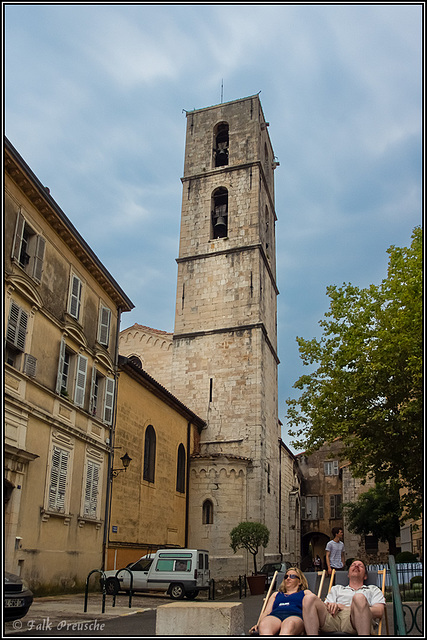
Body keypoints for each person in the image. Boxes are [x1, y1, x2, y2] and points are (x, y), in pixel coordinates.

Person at [302, 559, 385, 635]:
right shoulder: (337, 588)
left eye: (360, 566)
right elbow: (326, 605)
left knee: (359, 598)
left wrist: (351, 608)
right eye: (353, 565)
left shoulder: (373, 589)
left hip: (355, 620)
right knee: (309, 598)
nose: (356, 566)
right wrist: (331, 605)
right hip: (333, 617)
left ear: (365, 576)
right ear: (348, 574)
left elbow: (379, 611)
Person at [249, 567, 311, 636]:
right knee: (264, 624)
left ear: (300, 581)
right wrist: (258, 625)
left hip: (295, 615)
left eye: (292, 576)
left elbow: (314, 603)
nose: (288, 578)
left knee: (289, 624)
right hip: (275, 616)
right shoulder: (276, 594)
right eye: (286, 576)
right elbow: (266, 612)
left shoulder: (305, 593)